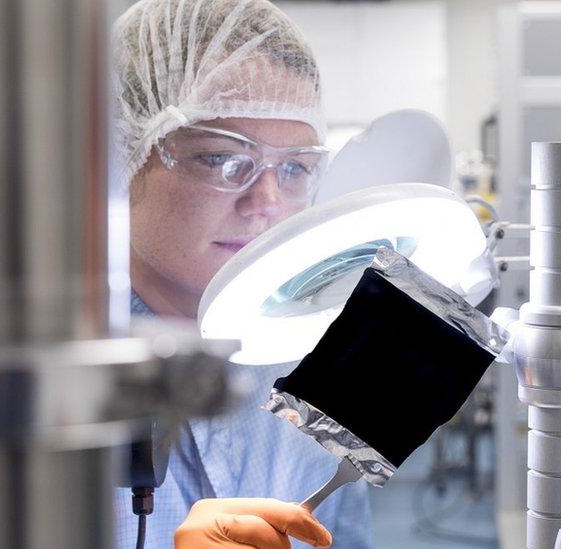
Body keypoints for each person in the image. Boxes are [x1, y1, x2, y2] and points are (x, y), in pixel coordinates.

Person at [111, 0, 374, 547]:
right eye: (221, 158)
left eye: (296, 167)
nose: (268, 203)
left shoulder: (318, 359)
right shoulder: (44, 376)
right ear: (125, 156)